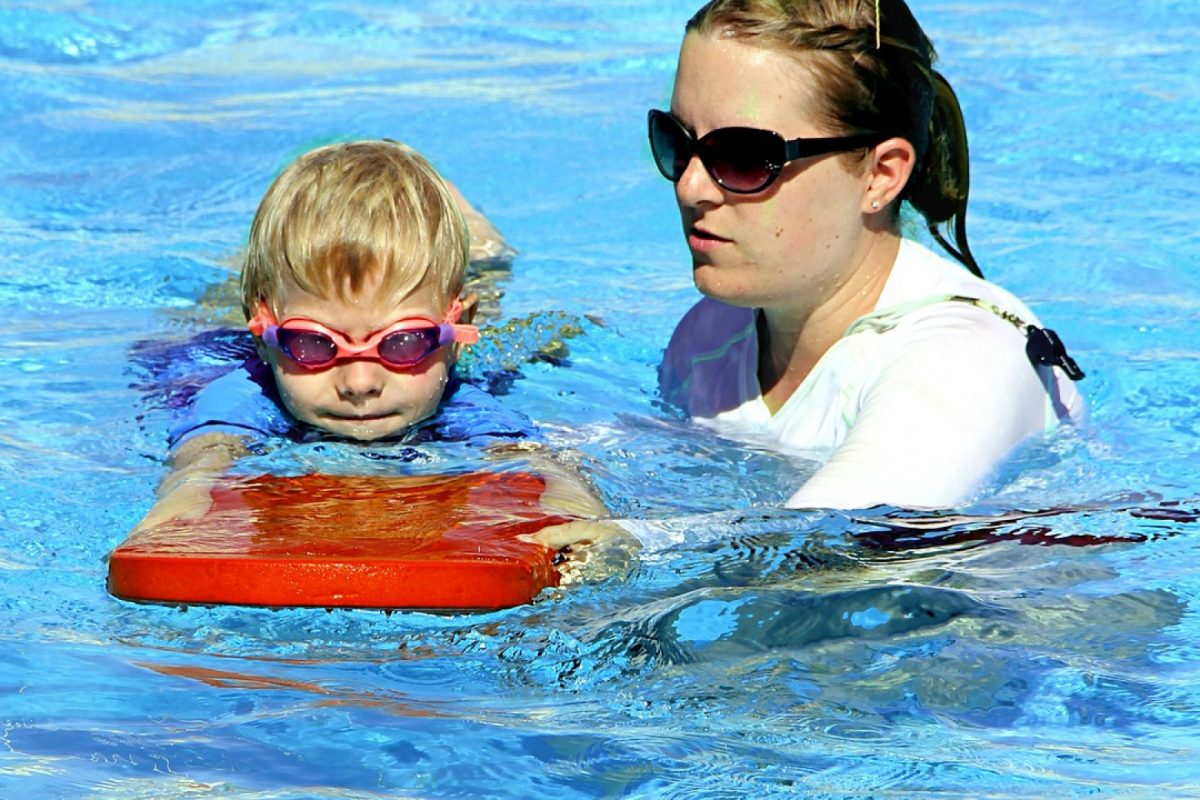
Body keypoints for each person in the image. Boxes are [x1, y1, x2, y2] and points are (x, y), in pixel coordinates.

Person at [652, 0, 1085, 510]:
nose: (690, 186)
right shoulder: (710, 337)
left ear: (881, 175)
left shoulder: (961, 360)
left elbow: (822, 558)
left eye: (743, 157)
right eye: (678, 143)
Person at [134, 139, 623, 577]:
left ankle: (483, 242)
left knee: (495, 286)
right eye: (313, 343)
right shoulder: (243, 392)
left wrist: (580, 517)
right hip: (218, 340)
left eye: (403, 344)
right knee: (212, 304)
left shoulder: (462, 398)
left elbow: (535, 462)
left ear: (451, 339)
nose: (360, 381)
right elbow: (206, 455)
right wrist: (181, 506)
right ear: (265, 336)